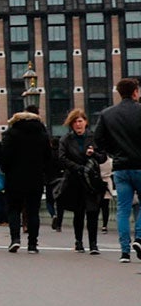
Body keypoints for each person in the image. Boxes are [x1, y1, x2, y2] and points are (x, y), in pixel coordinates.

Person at [92, 76, 141, 261]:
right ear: (135, 92)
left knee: (123, 209)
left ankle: (124, 251)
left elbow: (98, 140)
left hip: (120, 167)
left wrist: (113, 152)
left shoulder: (107, 114)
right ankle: (140, 237)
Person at [0, 100, 53, 253]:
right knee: (33, 211)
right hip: (35, 177)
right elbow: (48, 157)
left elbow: (4, 158)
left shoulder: (11, 134)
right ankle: (32, 244)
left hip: (14, 177)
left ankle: (15, 239)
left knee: (14, 209)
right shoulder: (42, 134)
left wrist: (6, 169)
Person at [56, 108, 105, 254]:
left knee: (93, 211)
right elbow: (62, 158)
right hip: (74, 180)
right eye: (75, 122)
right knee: (79, 212)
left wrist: (93, 154)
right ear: (71, 124)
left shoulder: (94, 137)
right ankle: (79, 241)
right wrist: (76, 167)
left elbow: (103, 157)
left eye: (80, 121)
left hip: (91, 181)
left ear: (85, 122)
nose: (78, 124)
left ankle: (93, 244)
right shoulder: (66, 139)